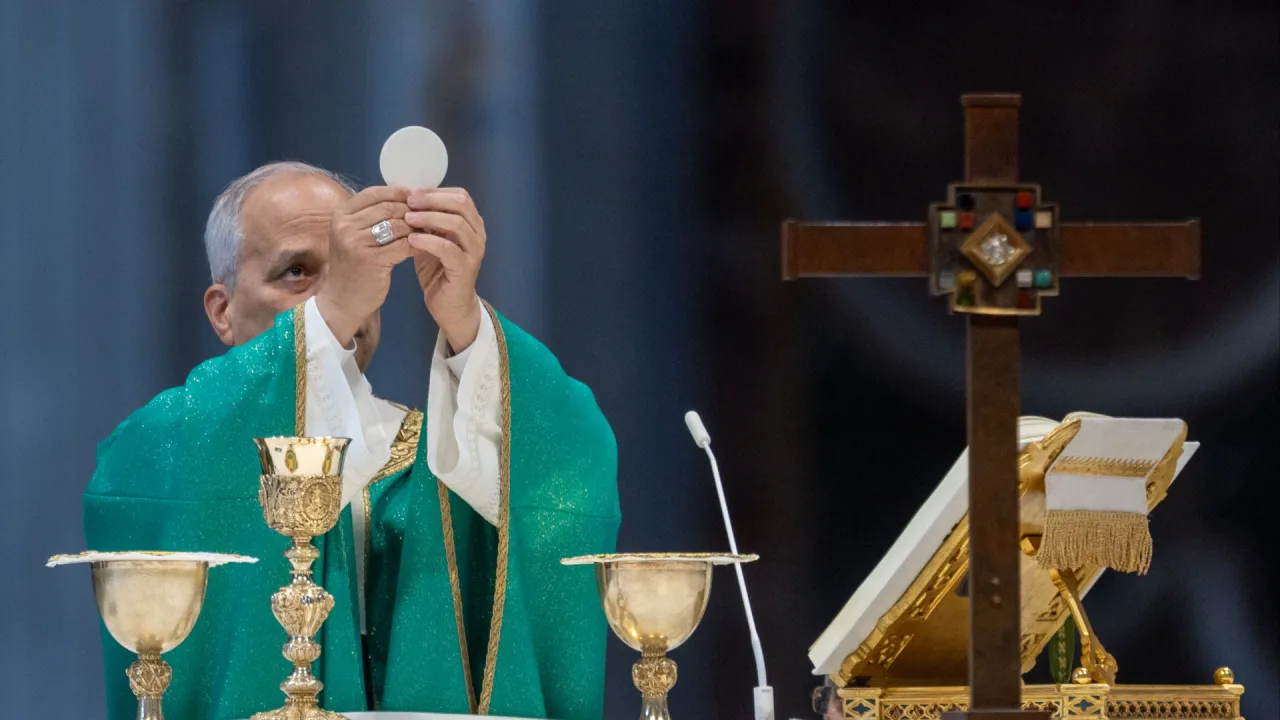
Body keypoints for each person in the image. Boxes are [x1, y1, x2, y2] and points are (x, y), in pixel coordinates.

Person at [83, 162, 619, 720]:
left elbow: (570, 459)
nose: (347, 293)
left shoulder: (449, 443)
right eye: (296, 271)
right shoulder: (174, 438)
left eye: (352, 269)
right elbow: (133, 481)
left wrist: (464, 320)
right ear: (222, 310)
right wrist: (332, 308)